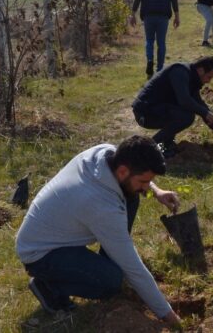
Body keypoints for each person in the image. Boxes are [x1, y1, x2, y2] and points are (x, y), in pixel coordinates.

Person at [16, 135, 182, 328]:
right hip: (41, 254)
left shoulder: (104, 154)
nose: (146, 187)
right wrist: (168, 315)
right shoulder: (100, 205)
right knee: (112, 281)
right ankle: (49, 286)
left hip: (54, 231)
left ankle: (107, 262)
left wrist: (156, 190)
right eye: (144, 181)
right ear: (122, 171)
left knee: (132, 196)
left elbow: (134, 173)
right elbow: (133, 268)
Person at [132, 56, 213, 157]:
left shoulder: (193, 79)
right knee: (186, 116)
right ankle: (149, 148)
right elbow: (185, 101)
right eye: (209, 77)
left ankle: (166, 145)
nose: (209, 81)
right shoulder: (180, 72)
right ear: (200, 70)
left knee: (181, 113)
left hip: (157, 109)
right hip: (145, 112)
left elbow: (200, 105)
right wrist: (205, 113)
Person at [129, 0, 180, 79]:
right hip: (163, 14)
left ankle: (150, 60)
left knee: (149, 40)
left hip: (148, 14)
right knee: (161, 42)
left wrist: (133, 13)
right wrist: (177, 16)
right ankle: (160, 69)